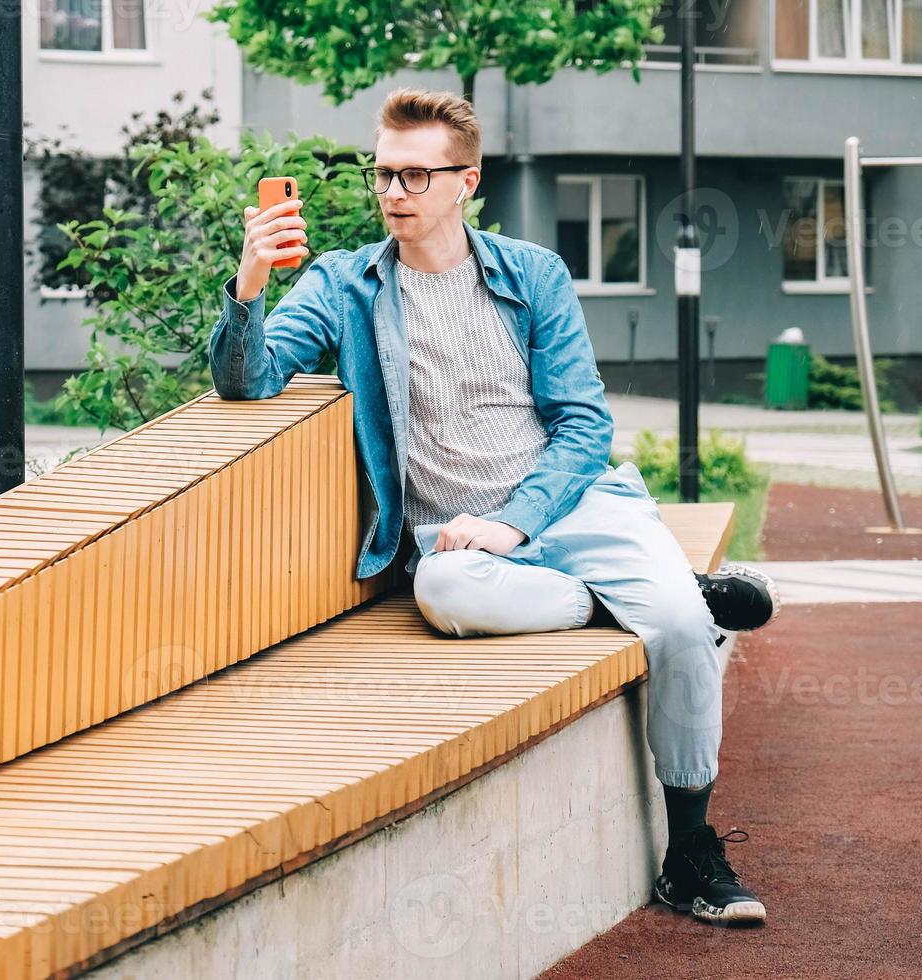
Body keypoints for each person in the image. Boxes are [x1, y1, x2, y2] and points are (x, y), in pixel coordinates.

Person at [208, 86, 780, 926]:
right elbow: (243, 381)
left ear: (466, 181)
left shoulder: (531, 275)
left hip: (572, 508)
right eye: (383, 175)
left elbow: (584, 424)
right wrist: (251, 279)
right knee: (441, 593)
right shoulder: (344, 285)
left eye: (415, 176)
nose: (393, 194)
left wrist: (517, 520)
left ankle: (690, 851)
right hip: (458, 543)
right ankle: (668, 593)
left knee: (684, 635)